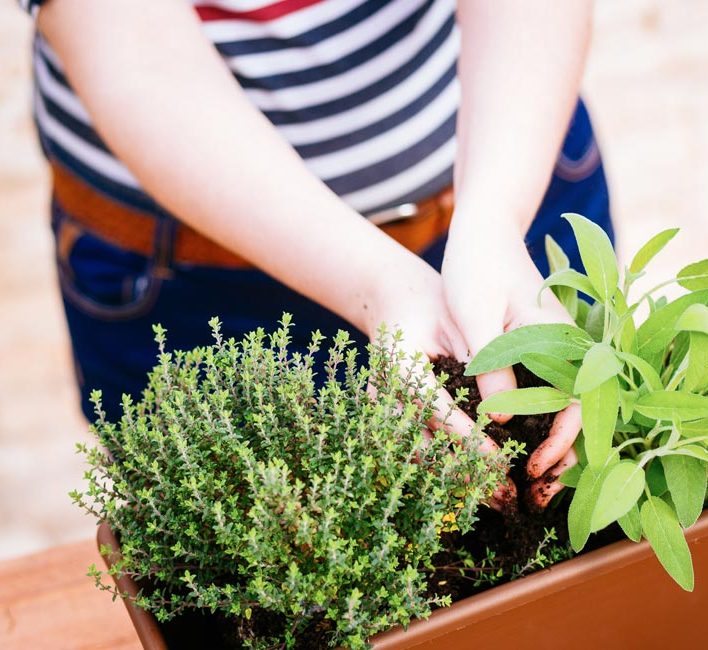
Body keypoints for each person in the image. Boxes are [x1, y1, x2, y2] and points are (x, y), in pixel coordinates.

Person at [20, 0, 612, 507]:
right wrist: (378, 281)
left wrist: (494, 220)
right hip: (198, 278)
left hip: (510, 166)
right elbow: (131, 48)